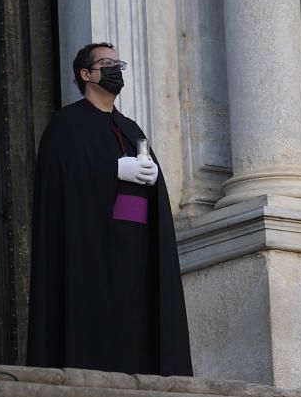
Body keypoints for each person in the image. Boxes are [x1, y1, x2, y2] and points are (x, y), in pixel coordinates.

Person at [27, 42, 192, 376]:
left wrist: (154, 177)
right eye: (107, 63)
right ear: (85, 74)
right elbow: (59, 176)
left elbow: (148, 180)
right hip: (91, 248)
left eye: (119, 64)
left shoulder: (131, 128)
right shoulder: (66, 125)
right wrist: (111, 170)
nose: (116, 69)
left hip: (137, 245)